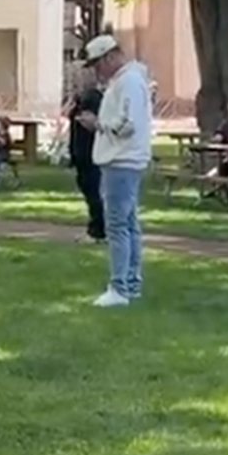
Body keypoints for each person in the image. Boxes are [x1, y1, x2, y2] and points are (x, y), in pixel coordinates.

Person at [82, 34, 153, 307]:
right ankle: (130, 282)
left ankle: (119, 286)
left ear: (110, 57)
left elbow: (127, 124)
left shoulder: (129, 82)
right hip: (124, 159)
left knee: (117, 225)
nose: (96, 71)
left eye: (97, 64)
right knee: (128, 223)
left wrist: (98, 124)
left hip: (121, 159)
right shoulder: (126, 81)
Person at [64, 66, 105, 243]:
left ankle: (98, 230)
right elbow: (67, 114)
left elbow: (88, 121)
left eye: (79, 78)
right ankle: (96, 227)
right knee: (88, 189)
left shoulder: (92, 98)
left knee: (93, 191)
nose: (75, 82)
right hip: (80, 151)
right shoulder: (79, 98)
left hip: (89, 152)